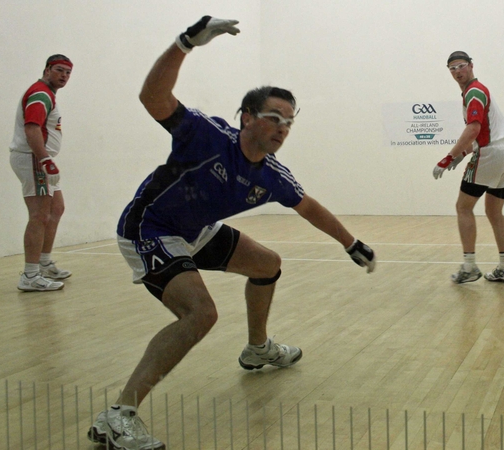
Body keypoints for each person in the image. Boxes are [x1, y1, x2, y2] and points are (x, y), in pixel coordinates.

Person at [87, 16, 376, 450]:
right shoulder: (205, 134)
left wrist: (350, 243)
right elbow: (152, 96)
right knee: (200, 314)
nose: (282, 127)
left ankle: (257, 348)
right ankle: (118, 415)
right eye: (273, 117)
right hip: (150, 227)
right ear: (246, 118)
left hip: (197, 230)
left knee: (268, 265)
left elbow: (308, 206)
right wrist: (185, 43)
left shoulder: (273, 175)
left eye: (289, 122)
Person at [433, 51, 504, 284]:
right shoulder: (477, 91)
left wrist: (448, 157)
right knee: (493, 211)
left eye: (460, 66)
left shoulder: (474, 92)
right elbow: (483, 133)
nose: (457, 71)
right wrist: (463, 152)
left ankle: (469, 266)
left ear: (471, 66)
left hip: (491, 154)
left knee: (463, 207)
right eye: (452, 68)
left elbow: (473, 129)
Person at [9, 55, 74, 291]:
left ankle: (44, 263)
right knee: (39, 215)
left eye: (68, 72)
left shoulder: (47, 94)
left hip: (39, 159)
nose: (64, 76)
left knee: (56, 209)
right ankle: (30, 275)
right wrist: (44, 158)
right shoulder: (40, 93)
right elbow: (32, 128)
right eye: (59, 70)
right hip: (34, 159)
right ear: (47, 70)